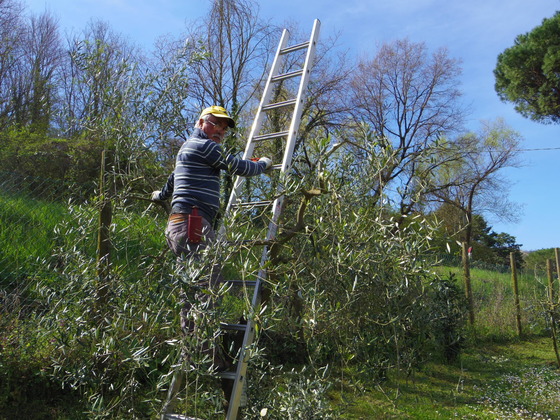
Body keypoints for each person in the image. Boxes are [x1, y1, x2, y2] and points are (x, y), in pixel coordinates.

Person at [152, 106, 271, 414]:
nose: (219, 130)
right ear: (201, 123)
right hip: (194, 225)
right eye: (215, 123)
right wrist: (265, 164)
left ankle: (202, 351)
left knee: (195, 291)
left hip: (186, 224)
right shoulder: (203, 146)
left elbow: (170, 183)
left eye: (224, 128)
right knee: (207, 292)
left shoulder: (187, 150)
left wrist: (158, 195)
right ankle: (204, 355)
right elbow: (239, 167)